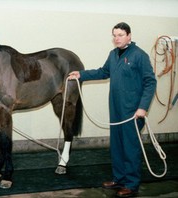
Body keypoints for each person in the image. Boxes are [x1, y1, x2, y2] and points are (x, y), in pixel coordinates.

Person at [69, 22, 156, 197]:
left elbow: (150, 82)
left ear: (129, 36)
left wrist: (143, 107)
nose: (117, 38)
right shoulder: (113, 54)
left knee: (130, 147)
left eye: (120, 35)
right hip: (116, 109)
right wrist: (81, 74)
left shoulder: (140, 56)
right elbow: (103, 72)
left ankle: (131, 184)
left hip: (132, 111)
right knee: (117, 146)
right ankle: (119, 179)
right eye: (114, 35)